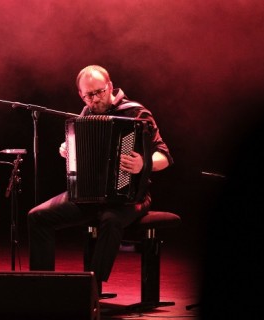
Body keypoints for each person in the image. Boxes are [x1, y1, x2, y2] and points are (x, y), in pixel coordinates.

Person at [27, 65, 173, 296]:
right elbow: (81, 153)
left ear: (110, 87)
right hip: (88, 195)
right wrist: (68, 149)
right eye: (89, 95)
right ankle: (41, 289)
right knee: (38, 217)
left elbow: (164, 155)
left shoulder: (136, 113)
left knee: (111, 219)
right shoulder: (85, 114)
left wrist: (144, 163)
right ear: (81, 95)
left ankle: (91, 290)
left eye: (99, 92)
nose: (94, 100)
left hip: (129, 196)